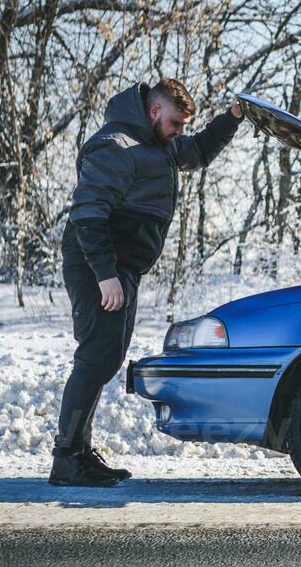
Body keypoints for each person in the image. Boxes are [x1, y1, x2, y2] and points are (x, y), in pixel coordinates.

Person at [51, 79, 245, 486]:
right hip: (97, 264)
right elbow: (87, 213)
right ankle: (67, 458)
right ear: (155, 112)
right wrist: (105, 275)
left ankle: (80, 454)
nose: (180, 132)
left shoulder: (162, 143)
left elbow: (198, 152)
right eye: (176, 123)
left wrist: (232, 119)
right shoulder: (117, 146)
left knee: (107, 358)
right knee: (95, 357)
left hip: (121, 268)